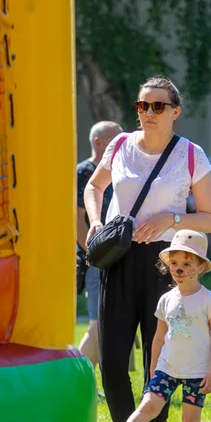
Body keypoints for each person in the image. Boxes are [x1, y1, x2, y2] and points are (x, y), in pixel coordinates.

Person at [83, 76, 211, 422]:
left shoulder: (190, 155)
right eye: (142, 106)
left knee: (158, 364)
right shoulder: (121, 144)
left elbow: (210, 218)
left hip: (167, 264)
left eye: (157, 106)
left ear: (176, 111)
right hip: (119, 260)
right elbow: (94, 186)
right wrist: (94, 222)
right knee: (111, 363)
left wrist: (171, 218)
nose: (148, 113)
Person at [97, 231, 211, 422]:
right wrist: (155, 370)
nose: (178, 269)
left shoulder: (209, 300)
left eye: (187, 264)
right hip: (167, 369)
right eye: (174, 263)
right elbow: (158, 338)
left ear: (200, 267)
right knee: (147, 406)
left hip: (197, 371)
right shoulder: (166, 299)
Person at [77, 121, 123, 371]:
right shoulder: (84, 172)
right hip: (97, 257)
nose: (120, 143)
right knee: (97, 323)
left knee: (105, 323)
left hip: (114, 255)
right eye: (114, 139)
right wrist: (95, 252)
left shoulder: (117, 171)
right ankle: (76, 380)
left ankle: (89, 381)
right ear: (98, 142)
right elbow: (76, 218)